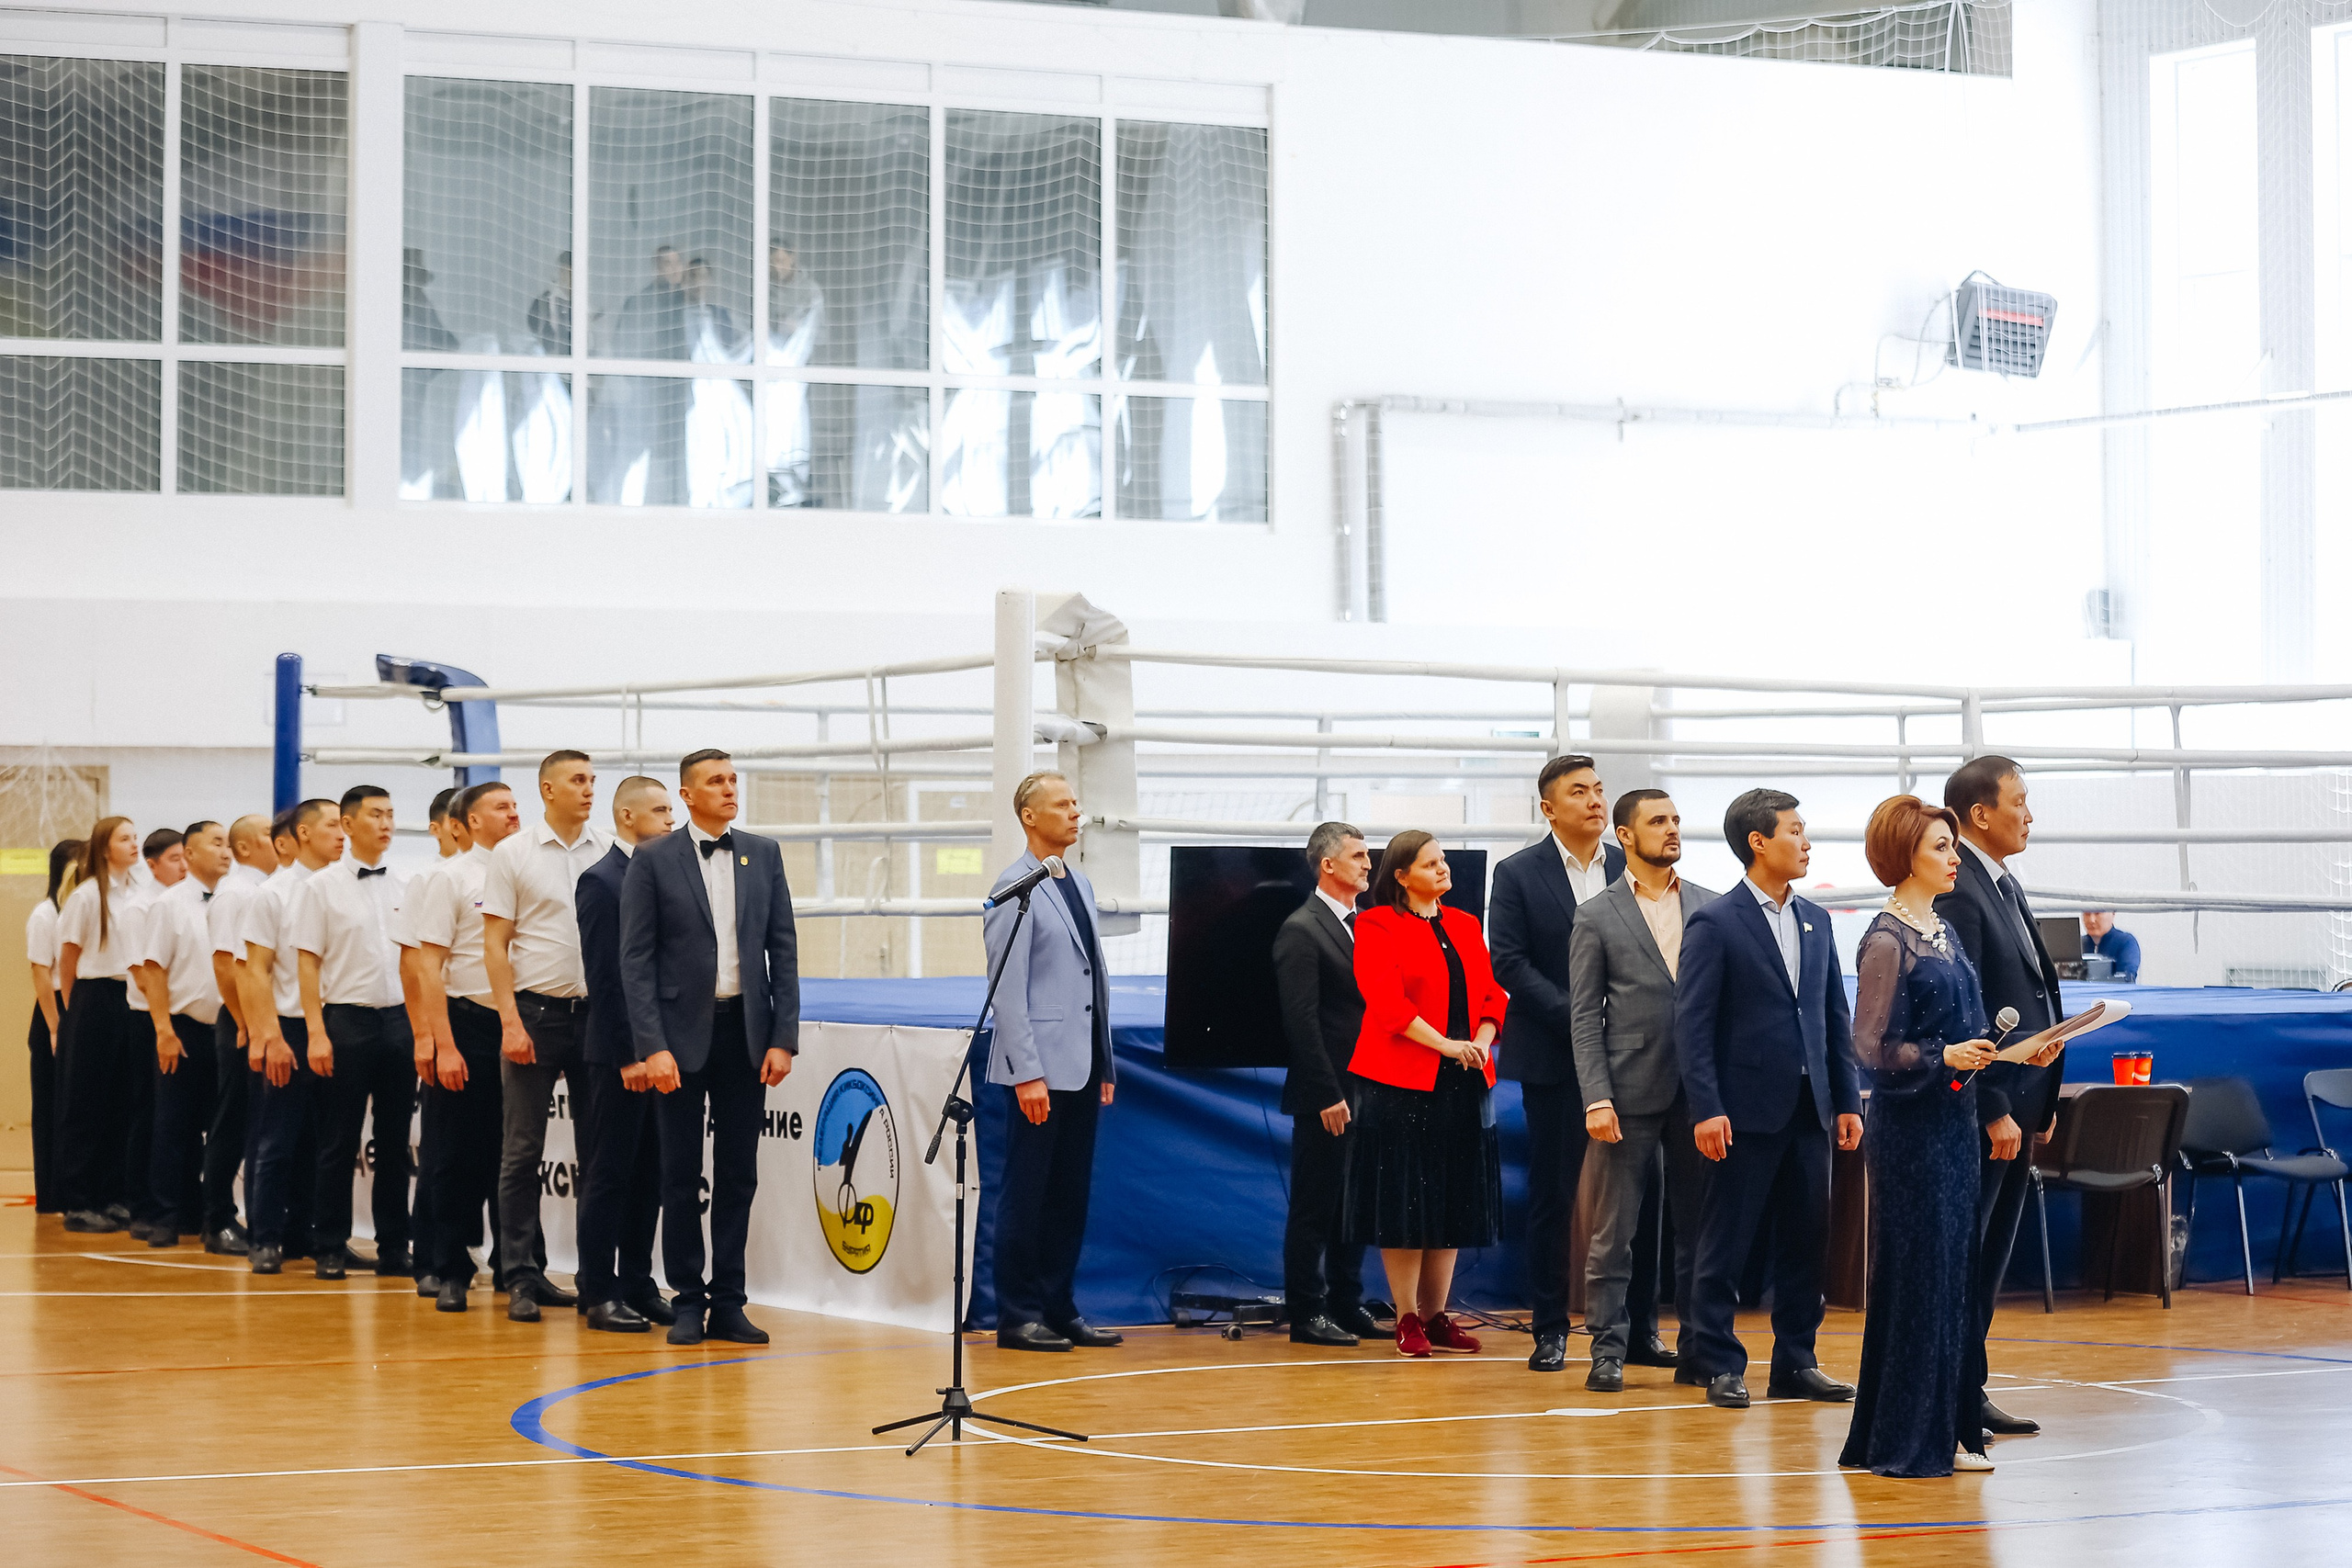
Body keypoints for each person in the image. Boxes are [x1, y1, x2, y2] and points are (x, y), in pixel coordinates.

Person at [1675, 789, 1863, 1410]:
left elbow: (1833, 1015)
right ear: (1758, 842)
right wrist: (1707, 1106)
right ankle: (1718, 1362)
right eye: (1795, 831)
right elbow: (1693, 1024)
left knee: (1806, 1240)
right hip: (1742, 1111)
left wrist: (1847, 1100)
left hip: (1811, 1109)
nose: (1806, 843)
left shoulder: (1817, 920)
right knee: (1725, 1243)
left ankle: (1797, 1361)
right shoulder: (1715, 922)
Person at [1839, 795, 2007, 1477]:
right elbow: (1869, 1047)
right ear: (1904, 855)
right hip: (1911, 1132)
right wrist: (1944, 1056)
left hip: (1953, 1123)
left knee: (1952, 1275)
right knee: (1919, 1277)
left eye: (1952, 845)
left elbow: (1965, 1027)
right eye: (1940, 846)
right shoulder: (1887, 939)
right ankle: (1908, 1437)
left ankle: (1948, 1425)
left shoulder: (1942, 930)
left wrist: (2013, 1052)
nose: (1953, 857)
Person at [618, 750, 798, 1348]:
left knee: (739, 1174)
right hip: (677, 1038)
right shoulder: (653, 858)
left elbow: (784, 949)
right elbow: (635, 959)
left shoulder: (763, 853)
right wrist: (651, 1045)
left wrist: (783, 1037)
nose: (728, 789)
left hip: (745, 1034)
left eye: (733, 780)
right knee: (679, 1174)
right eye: (715, 781)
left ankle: (729, 1302)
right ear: (688, 794)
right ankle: (688, 1300)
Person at [1937, 755, 2068, 1439]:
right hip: (1986, 1108)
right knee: (1967, 1258)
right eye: (2019, 802)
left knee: (1989, 1261)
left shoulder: (2002, 882)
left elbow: (2030, 992)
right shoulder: (1960, 888)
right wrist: (1992, 1106)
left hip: (2023, 1099)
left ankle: (1971, 1386)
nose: (2029, 815)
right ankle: (1951, 1395)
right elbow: (1963, 1009)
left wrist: (2045, 1085)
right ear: (1980, 813)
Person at [1569, 789, 1717, 1393]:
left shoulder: (1711, 905)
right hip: (1626, 1092)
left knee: (1700, 1231)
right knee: (1614, 1234)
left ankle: (1700, 1349)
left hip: (1700, 1093)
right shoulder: (1596, 914)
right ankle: (1607, 1349)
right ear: (1625, 835)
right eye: (1658, 821)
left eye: (1676, 819)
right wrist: (1596, 1096)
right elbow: (1584, 1016)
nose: (1672, 829)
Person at [1344, 830, 1509, 1359]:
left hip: (1464, 1078)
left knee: (1453, 1198)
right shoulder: (1375, 924)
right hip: (1401, 1083)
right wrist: (1447, 1046)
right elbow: (1387, 1005)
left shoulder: (1464, 924)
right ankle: (1406, 1316)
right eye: (1430, 863)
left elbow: (1493, 995)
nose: (1443, 869)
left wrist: (1479, 1040)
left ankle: (1437, 1315)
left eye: (1443, 861)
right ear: (1401, 876)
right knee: (1405, 1202)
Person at [1487, 754, 1623, 1372]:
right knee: (1553, 1195)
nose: (1595, 800)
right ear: (1548, 808)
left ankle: (1635, 1327)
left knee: (1636, 1192)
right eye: (1578, 791)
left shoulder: (1627, 865)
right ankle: (1549, 1327)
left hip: (1633, 1051)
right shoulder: (1518, 872)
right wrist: (1581, 1016)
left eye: (1599, 789)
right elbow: (1509, 962)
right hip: (1554, 1052)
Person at [978, 771, 1120, 1353]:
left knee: (1068, 1194)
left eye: (1076, 803)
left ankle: (1060, 1306)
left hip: (1081, 1065)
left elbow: (1093, 978)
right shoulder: (1014, 888)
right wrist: (1027, 1072)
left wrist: (1105, 1062)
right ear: (1030, 817)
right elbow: (1007, 991)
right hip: (1039, 1069)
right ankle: (1017, 1313)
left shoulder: (1077, 883)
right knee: (1027, 1192)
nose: (1075, 812)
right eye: (1063, 805)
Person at [481, 750, 608, 1323]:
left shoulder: (612, 849)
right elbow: (494, 944)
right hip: (534, 1013)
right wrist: (509, 1020)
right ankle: (521, 1275)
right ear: (548, 789)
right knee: (522, 1150)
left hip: (598, 1016)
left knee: (598, 1152)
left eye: (592, 780)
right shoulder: (513, 853)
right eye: (577, 780)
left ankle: (595, 1276)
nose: (588, 789)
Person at [293, 786, 414, 1280]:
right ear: (347, 824)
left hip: (399, 1020)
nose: (386, 824)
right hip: (345, 1018)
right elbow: (307, 963)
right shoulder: (318, 888)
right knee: (338, 1140)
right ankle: (329, 1244)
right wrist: (316, 1032)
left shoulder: (405, 883)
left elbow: (415, 962)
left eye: (390, 814)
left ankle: (394, 1246)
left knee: (395, 1142)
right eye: (375, 815)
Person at [1272, 820, 1384, 1348]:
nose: (1368, 864)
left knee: (1353, 1204)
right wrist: (1327, 1093)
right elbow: (1302, 1021)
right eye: (1358, 856)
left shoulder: (1367, 925)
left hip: (1370, 1085)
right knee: (1315, 1206)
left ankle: (1346, 1300)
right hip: (1328, 1092)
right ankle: (1306, 1311)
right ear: (1328, 864)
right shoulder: (1302, 928)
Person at [572, 774, 677, 1333]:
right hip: (622, 1054)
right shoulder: (601, 880)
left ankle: (638, 1281)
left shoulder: (668, 875)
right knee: (609, 1172)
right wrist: (630, 1054)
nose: (670, 820)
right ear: (627, 816)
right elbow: (606, 978)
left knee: (651, 1174)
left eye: (671, 811)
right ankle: (597, 1289)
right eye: (660, 811)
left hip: (664, 1050)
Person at [413, 781, 522, 1311]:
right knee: (456, 1152)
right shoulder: (450, 877)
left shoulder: (526, 869)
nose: (514, 814)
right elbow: (427, 966)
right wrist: (442, 1043)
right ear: (472, 821)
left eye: (516, 805)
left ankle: (517, 1267)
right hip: (467, 1022)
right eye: (502, 807)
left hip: (521, 1022)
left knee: (515, 1153)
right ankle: (450, 1267)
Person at [240, 799, 344, 1275]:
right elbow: (254, 971)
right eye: (332, 825)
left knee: (328, 1141)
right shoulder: (273, 895)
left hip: (338, 1023)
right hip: (292, 1026)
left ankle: (317, 1238)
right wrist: (269, 1037)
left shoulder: (344, 886)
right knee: (278, 1140)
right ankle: (265, 1238)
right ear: (303, 834)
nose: (341, 834)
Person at [135, 820, 232, 1247]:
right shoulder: (169, 904)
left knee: (224, 1129)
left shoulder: (239, 898)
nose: (226, 851)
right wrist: (163, 1030)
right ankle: (165, 1215)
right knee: (173, 1125)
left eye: (228, 844)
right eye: (216, 843)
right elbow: (153, 969)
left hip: (229, 1028)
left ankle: (215, 1217)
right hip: (184, 1028)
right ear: (189, 854)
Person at [54, 818, 148, 1232]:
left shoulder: (139, 893)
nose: (134, 844)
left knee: (121, 1100)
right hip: (94, 997)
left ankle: (112, 1195)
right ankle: (79, 1201)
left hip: (130, 996)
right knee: (86, 1101)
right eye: (125, 838)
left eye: (135, 837)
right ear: (105, 848)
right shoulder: (88, 895)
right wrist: (74, 1011)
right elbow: (68, 959)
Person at [391, 786, 467, 1295]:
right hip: (447, 1020)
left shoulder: (507, 870)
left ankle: (512, 1262)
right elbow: (413, 963)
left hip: (500, 1018)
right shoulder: (429, 878)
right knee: (442, 1147)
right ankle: (430, 1258)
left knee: (500, 1149)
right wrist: (424, 1035)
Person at [201, 813, 277, 1255]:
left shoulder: (263, 889)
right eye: (268, 834)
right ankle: (217, 1220)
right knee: (231, 1121)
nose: (276, 839)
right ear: (244, 847)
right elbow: (225, 963)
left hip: (259, 1017)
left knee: (257, 1122)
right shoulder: (235, 893)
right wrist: (245, 1021)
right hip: (242, 1021)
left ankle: (255, 1218)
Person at [24, 838, 83, 1215]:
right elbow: (41, 972)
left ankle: (76, 1189)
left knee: (74, 1108)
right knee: (50, 1107)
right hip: (53, 1013)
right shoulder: (45, 914)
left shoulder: (82, 909)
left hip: (78, 1009)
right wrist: (55, 1027)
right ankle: (50, 1195)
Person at [527, 252, 572, 355]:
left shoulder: (583, 304)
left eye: (569, 273)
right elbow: (534, 327)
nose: (565, 277)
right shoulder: (543, 302)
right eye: (563, 271)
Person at [2081, 911, 2140, 983]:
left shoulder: (2125, 942)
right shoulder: (2079, 944)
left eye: (2098, 913)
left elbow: (2126, 979)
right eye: (2087, 914)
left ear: (2113, 913)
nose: (2091, 920)